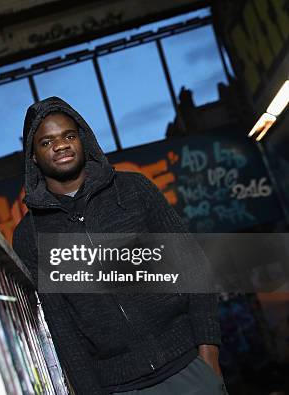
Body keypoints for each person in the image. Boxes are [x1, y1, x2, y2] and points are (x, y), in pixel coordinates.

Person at [12, 97, 225, 394]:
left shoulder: (134, 190)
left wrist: (208, 356)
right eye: (47, 142)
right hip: (120, 387)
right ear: (33, 156)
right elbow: (60, 325)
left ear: (82, 139)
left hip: (189, 367)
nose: (60, 145)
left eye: (68, 136)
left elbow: (194, 267)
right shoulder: (30, 234)